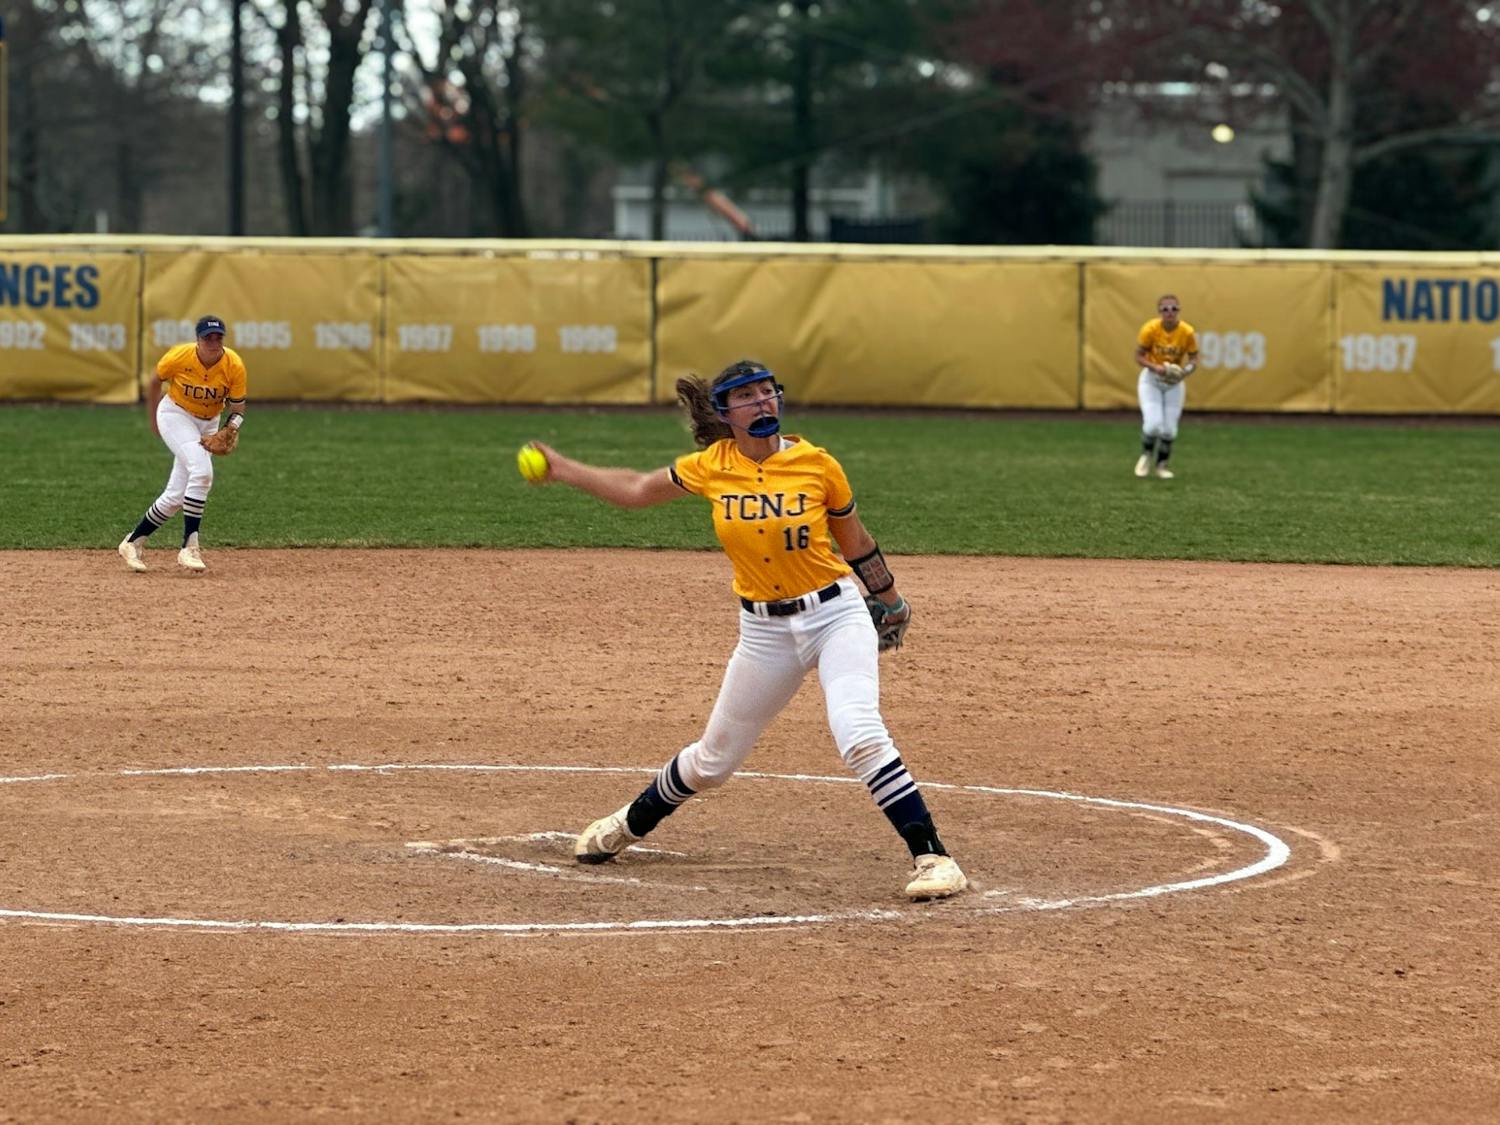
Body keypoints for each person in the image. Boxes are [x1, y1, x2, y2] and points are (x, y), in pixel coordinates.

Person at [525, 360, 968, 902]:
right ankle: (627, 823)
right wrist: (564, 469)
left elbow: (854, 541)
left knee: (858, 731)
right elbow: (638, 489)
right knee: (713, 761)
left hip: (835, 616)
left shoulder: (816, 464)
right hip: (763, 632)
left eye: (767, 391)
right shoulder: (713, 466)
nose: (762, 402)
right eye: (747, 395)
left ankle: (934, 858)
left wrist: (890, 598)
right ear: (725, 412)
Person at [117, 315, 247, 572]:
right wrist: (153, 420)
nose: (213, 342)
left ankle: (132, 542)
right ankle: (190, 547)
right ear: (198, 339)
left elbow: (238, 408)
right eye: (207, 337)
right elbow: (154, 382)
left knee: (177, 495)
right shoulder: (179, 357)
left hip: (209, 422)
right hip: (176, 415)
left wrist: (231, 428)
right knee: (202, 472)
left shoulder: (233, 364)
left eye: (218, 337)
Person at [1133, 294, 1199, 480]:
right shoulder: (1150, 329)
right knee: (1153, 425)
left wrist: (1184, 372)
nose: (1170, 312)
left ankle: (1162, 465)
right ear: (1159, 312)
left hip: (1173, 383)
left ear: (1179, 310)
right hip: (1152, 380)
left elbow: (1193, 358)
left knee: (1169, 429)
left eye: (1174, 308)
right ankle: (1146, 455)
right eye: (1165, 309)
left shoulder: (1186, 331)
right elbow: (1139, 356)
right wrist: (1155, 367)